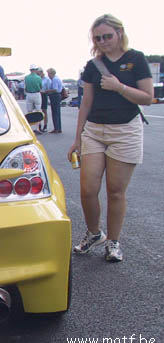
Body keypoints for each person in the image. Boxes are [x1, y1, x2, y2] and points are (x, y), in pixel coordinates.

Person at [68, 14, 153, 262]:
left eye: (107, 36)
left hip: (125, 130)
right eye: (98, 38)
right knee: (87, 189)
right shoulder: (93, 66)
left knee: (115, 191)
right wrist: (77, 139)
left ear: (119, 33)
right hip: (94, 130)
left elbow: (147, 97)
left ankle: (114, 242)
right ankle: (95, 233)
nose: (103, 41)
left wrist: (120, 87)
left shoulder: (135, 59)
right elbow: (86, 103)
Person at [24, 64, 42, 133]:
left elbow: (25, 87)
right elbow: (40, 87)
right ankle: (37, 128)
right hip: (36, 94)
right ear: (35, 70)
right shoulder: (38, 78)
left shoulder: (26, 77)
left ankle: (30, 128)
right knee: (38, 111)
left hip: (29, 94)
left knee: (29, 111)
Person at [44, 68, 63, 133]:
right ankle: (58, 127)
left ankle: (56, 128)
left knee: (54, 113)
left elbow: (55, 89)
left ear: (51, 73)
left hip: (55, 95)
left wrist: (47, 91)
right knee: (57, 112)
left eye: (48, 74)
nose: (48, 75)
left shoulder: (54, 79)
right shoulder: (57, 78)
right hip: (58, 95)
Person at [38, 67, 51, 132]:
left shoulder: (47, 79)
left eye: (39, 73)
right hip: (38, 94)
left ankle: (45, 125)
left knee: (44, 110)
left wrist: (45, 91)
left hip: (44, 94)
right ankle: (39, 125)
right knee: (38, 110)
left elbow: (49, 88)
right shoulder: (37, 78)